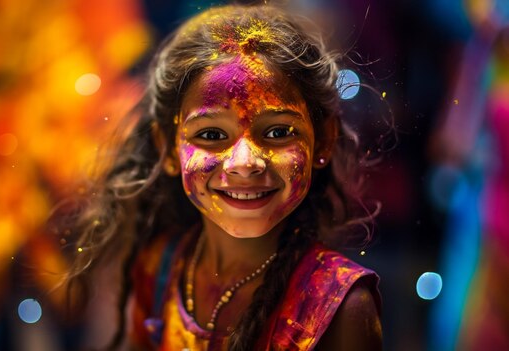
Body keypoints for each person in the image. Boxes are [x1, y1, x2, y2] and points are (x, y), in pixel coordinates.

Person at [62, 4, 382, 350]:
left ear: (323, 139)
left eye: (277, 133)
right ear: (169, 149)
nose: (244, 163)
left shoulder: (342, 308)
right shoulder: (158, 270)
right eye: (212, 135)